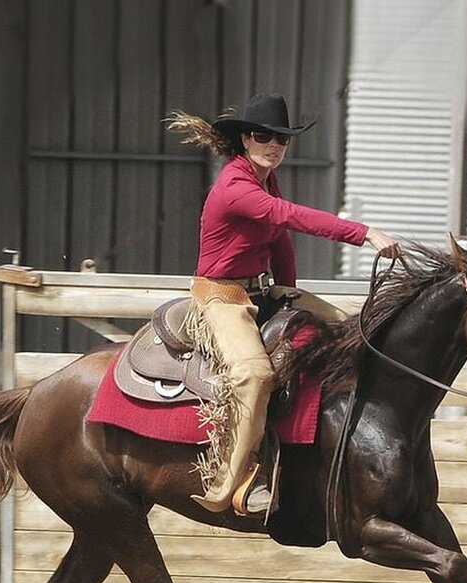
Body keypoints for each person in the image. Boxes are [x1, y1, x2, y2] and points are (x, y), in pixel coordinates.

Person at [167, 92, 401, 517]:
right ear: (245, 141)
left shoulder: (264, 177)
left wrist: (289, 294)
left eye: (282, 139)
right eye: (263, 136)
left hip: (263, 290)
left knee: (352, 331)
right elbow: (287, 216)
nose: (274, 146)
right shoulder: (236, 186)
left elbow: (280, 241)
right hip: (222, 296)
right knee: (254, 374)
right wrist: (363, 233)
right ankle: (230, 481)